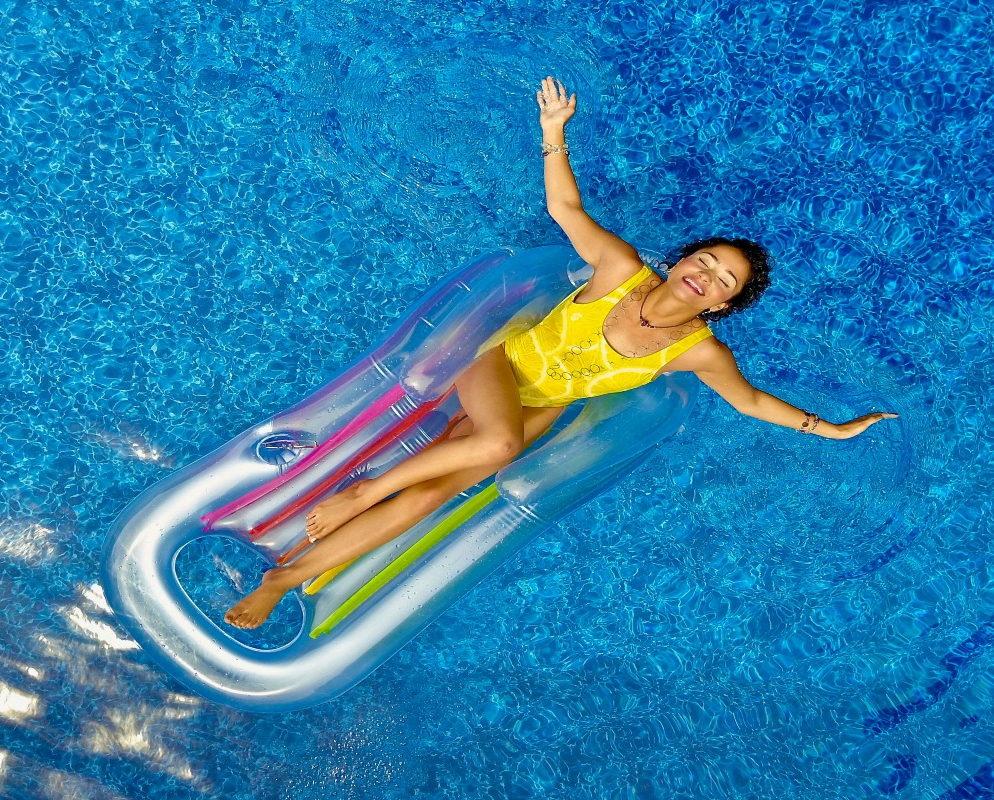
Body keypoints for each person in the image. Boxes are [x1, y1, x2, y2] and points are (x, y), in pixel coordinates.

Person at [224, 76, 898, 629]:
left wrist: (834, 429)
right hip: (499, 364)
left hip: (541, 404)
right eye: (707, 259)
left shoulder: (698, 352)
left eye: (725, 281)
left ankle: (283, 580)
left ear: (721, 306)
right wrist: (554, 134)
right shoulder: (619, 270)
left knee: (429, 500)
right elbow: (566, 208)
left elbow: (749, 401)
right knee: (493, 450)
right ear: (685, 258)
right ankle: (363, 490)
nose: (708, 275)